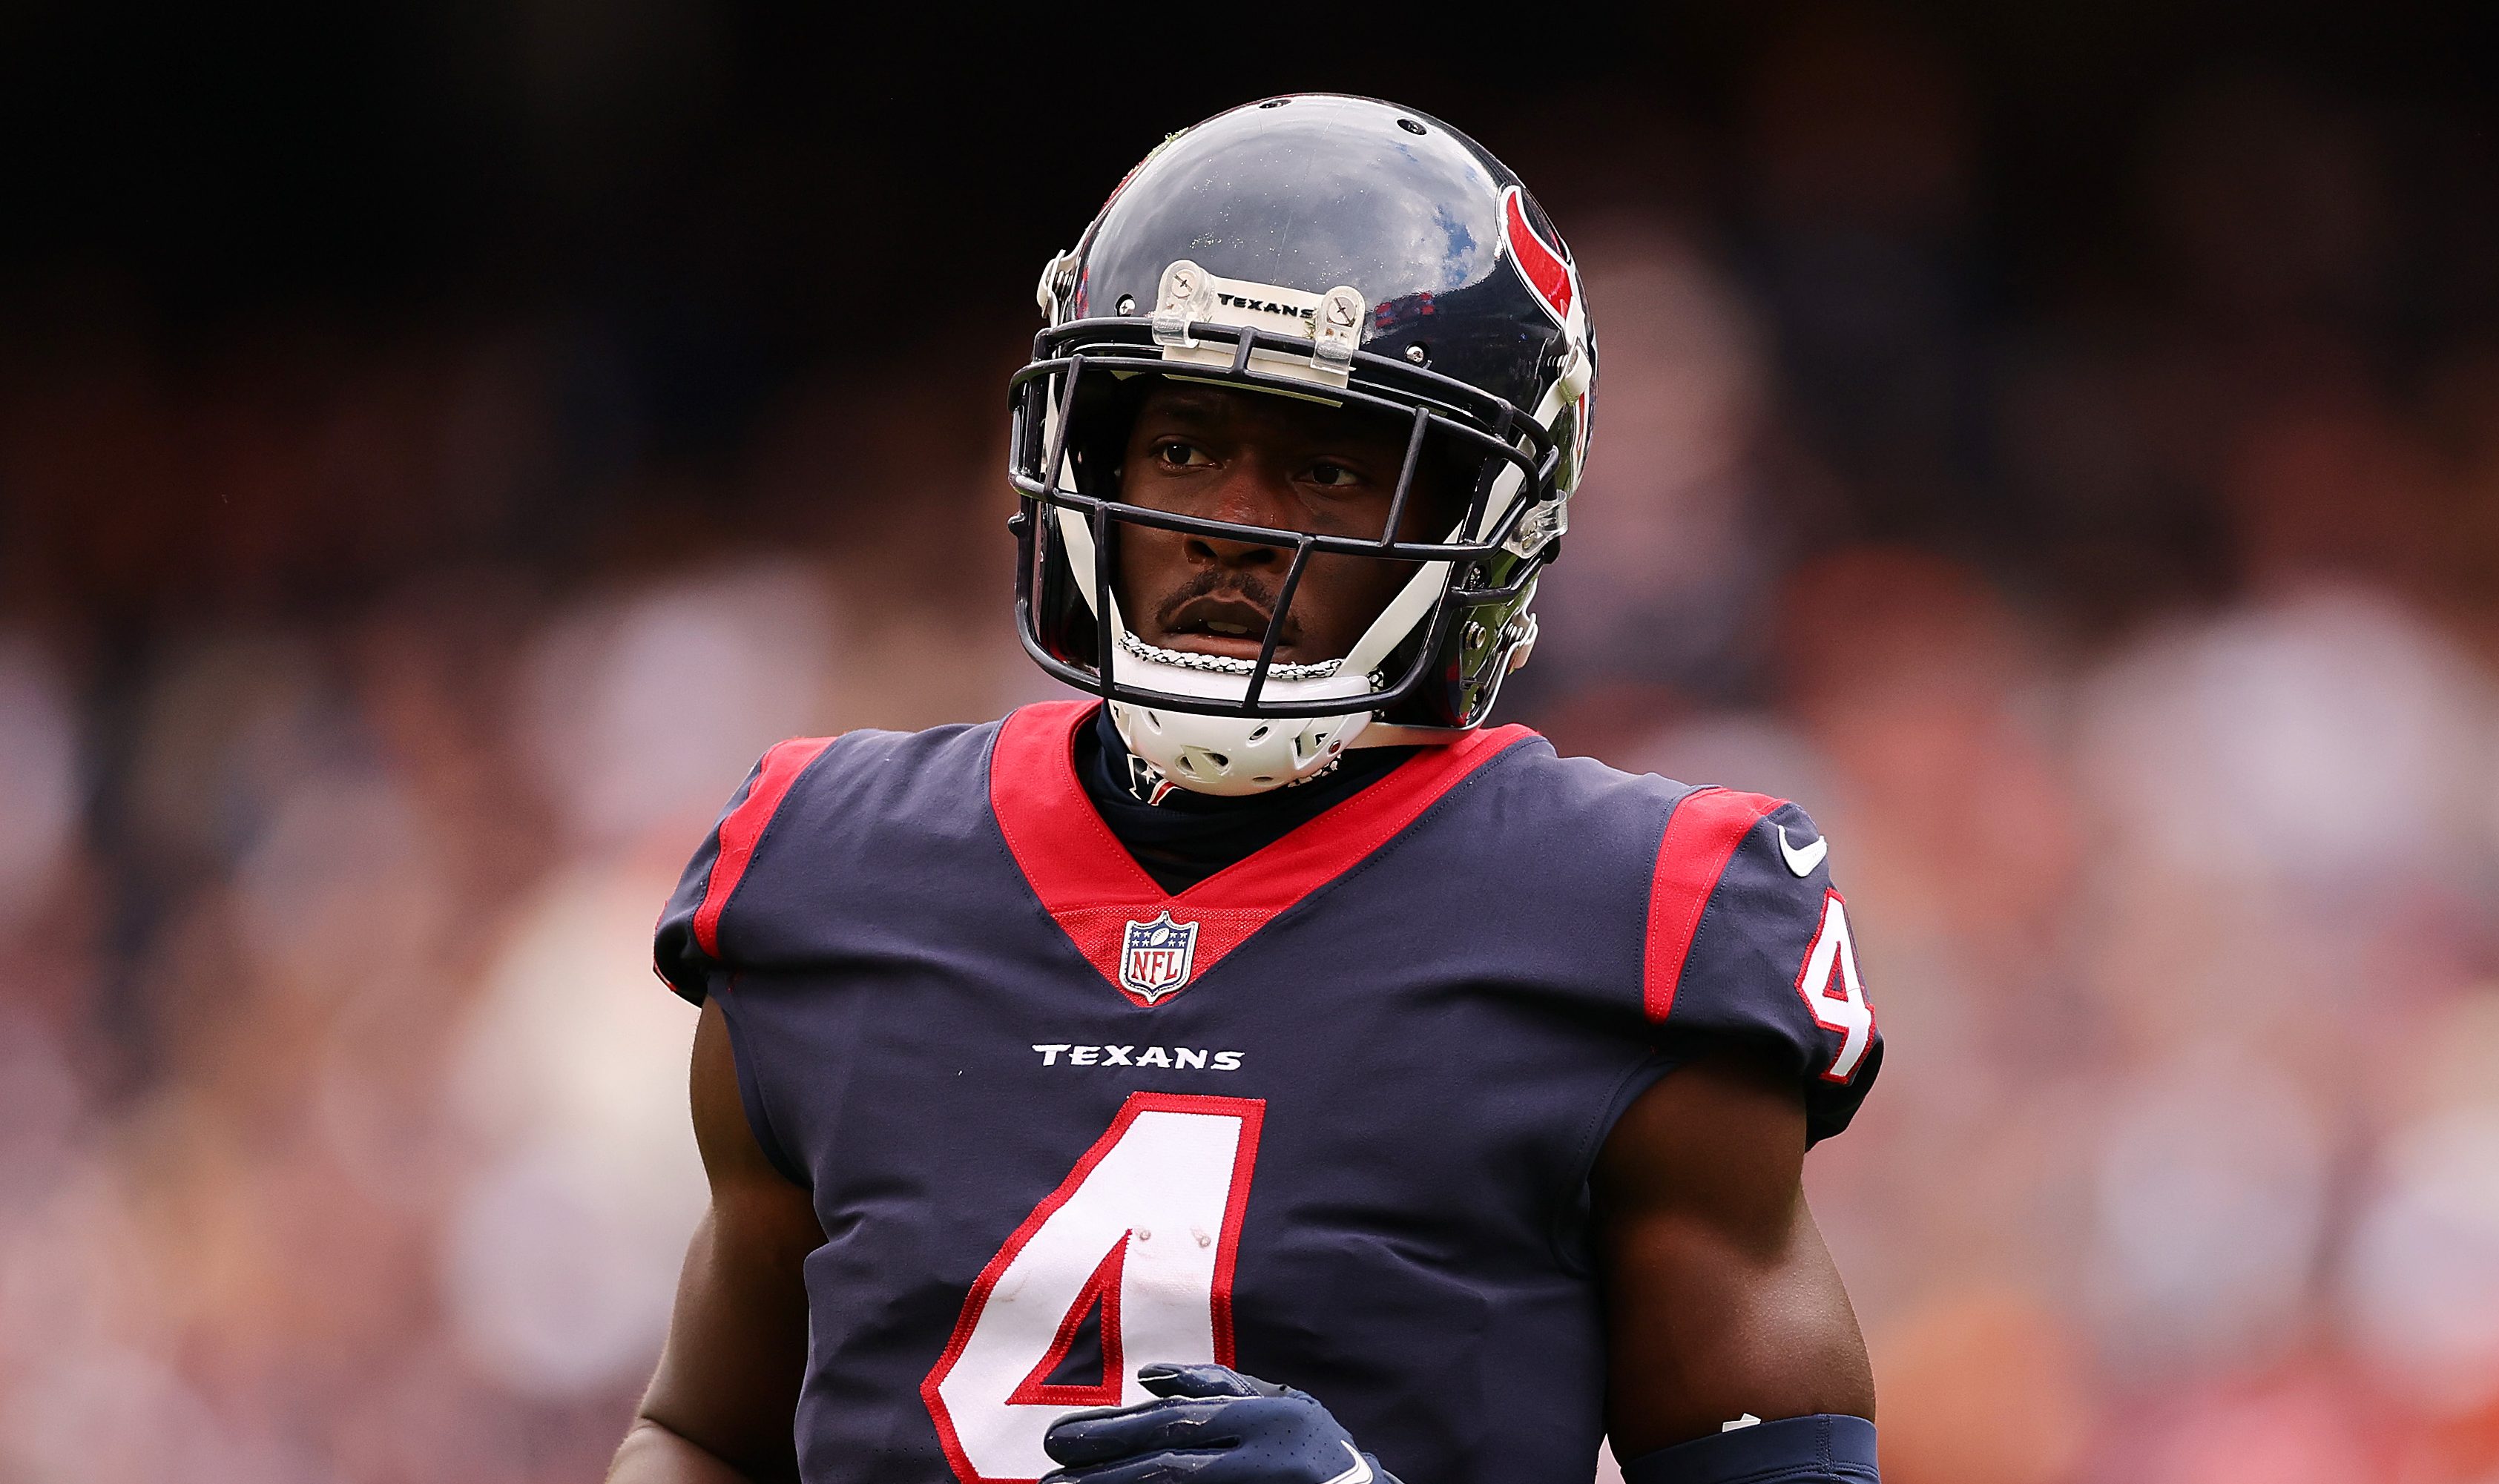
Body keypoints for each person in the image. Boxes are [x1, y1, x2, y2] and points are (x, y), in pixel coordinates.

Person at [608, 95, 1883, 1484]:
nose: (1231, 526)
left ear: (1480, 520)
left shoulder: (1641, 914)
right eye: (1182, 449)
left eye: (1329, 468)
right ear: (1084, 461)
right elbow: (697, 1435)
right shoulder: (825, 866)